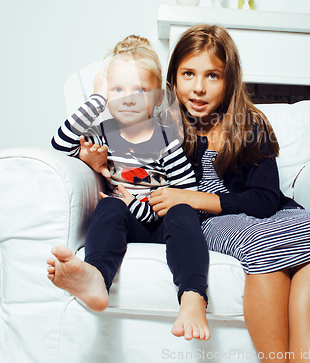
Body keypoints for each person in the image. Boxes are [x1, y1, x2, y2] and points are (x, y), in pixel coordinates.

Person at [79, 25, 310, 362]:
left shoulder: (250, 123)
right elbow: (119, 160)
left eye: (213, 76)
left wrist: (193, 197)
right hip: (211, 223)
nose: (199, 88)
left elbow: (265, 199)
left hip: (265, 213)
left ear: (228, 80)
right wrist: (93, 161)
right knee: (259, 243)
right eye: (188, 74)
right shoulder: (157, 125)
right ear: (172, 80)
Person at [47, 35, 210, 341]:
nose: (128, 99)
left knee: (184, 213)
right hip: (126, 221)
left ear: (158, 98)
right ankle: (96, 277)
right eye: (118, 90)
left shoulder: (165, 140)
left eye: (140, 91)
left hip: (162, 223)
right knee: (109, 206)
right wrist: (96, 100)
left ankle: (192, 295)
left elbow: (188, 192)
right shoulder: (103, 135)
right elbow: (60, 143)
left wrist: (147, 203)